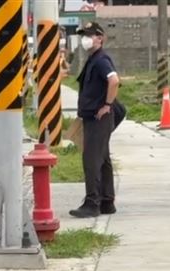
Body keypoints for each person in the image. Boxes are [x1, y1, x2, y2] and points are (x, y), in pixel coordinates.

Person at [70, 22, 121, 218]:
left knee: (91, 159)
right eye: (83, 35)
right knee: (103, 159)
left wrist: (107, 105)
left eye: (89, 35)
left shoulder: (101, 60)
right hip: (95, 117)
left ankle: (92, 203)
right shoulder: (94, 59)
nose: (85, 39)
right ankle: (107, 201)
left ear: (100, 38)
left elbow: (114, 81)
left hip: (99, 118)